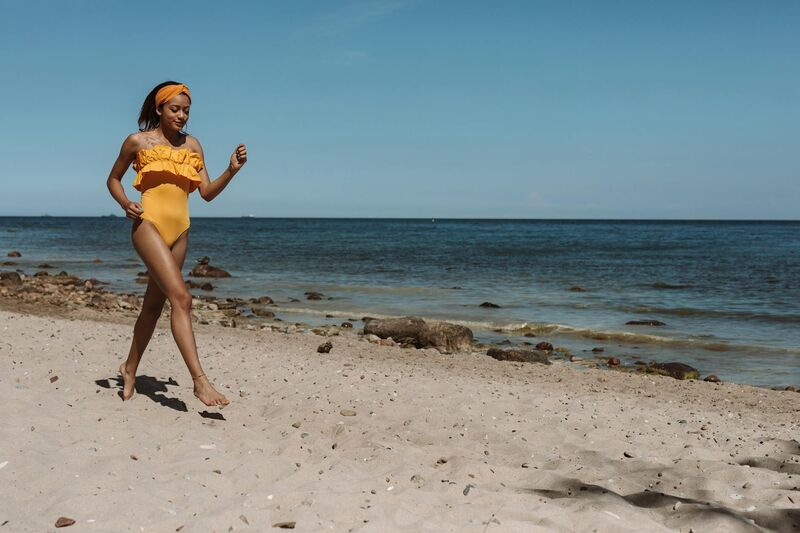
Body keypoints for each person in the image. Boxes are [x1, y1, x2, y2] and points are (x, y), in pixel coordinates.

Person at [106, 81, 247, 406]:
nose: (182, 115)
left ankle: (129, 368)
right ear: (159, 109)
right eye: (175, 109)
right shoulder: (137, 142)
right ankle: (200, 382)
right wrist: (125, 203)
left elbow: (207, 194)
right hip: (148, 226)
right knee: (182, 298)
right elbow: (112, 179)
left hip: (181, 231)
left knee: (154, 307)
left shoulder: (193, 146)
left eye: (186, 110)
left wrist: (231, 170)